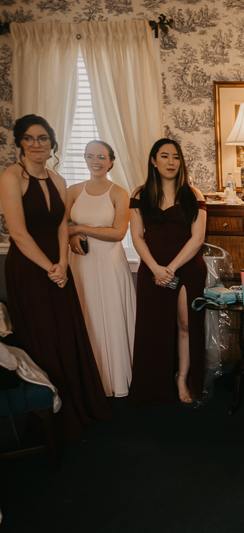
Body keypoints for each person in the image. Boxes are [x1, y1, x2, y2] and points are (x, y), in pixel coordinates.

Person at [0, 115, 113, 442]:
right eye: (29, 138)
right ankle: (50, 416)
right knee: (43, 335)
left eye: (43, 138)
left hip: (59, 266)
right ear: (20, 142)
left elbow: (63, 225)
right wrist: (51, 267)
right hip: (29, 267)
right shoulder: (11, 177)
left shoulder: (57, 179)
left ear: (53, 143)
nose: (37, 144)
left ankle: (79, 406)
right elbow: (18, 234)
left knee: (65, 333)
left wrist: (63, 263)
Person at [128, 139, 207, 406]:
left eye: (175, 157)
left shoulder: (194, 194)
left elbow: (197, 238)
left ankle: (182, 378)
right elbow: (137, 237)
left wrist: (171, 269)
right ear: (154, 160)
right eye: (164, 156)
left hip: (186, 269)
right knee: (153, 327)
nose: (171, 162)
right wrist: (155, 268)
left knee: (186, 325)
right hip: (152, 269)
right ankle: (154, 383)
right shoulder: (140, 194)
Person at [66, 141, 136, 398]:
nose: (95, 161)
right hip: (80, 261)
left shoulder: (119, 192)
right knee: (87, 315)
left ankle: (115, 381)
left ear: (111, 161)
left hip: (108, 262)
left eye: (101, 156)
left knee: (110, 314)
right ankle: (90, 381)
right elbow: (65, 222)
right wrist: (72, 235)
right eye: (90, 156)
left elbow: (118, 233)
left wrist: (79, 229)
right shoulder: (72, 190)